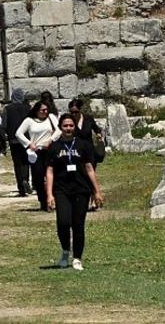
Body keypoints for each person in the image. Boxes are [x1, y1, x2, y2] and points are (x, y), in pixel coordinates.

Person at [46, 113, 105, 271]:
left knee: (78, 224)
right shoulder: (55, 147)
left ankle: (77, 258)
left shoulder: (83, 145)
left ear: (75, 127)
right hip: (61, 189)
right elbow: (50, 171)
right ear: (60, 127)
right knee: (63, 222)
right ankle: (65, 251)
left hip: (81, 189)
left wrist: (97, 191)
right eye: (65, 126)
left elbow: (89, 169)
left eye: (71, 126)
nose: (68, 129)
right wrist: (49, 194)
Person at [16, 101, 60, 212]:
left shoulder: (51, 117)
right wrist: (29, 144)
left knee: (53, 175)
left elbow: (59, 130)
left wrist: (50, 140)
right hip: (37, 152)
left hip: (49, 150)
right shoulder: (29, 121)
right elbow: (18, 133)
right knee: (38, 177)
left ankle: (54, 198)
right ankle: (43, 200)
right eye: (43, 110)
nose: (45, 112)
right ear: (37, 111)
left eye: (46, 110)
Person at [1, 88, 32, 197]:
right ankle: (26, 179)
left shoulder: (7, 109)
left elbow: (4, 125)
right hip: (27, 140)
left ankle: (21, 187)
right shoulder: (28, 108)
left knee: (17, 163)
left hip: (14, 140)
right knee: (26, 161)